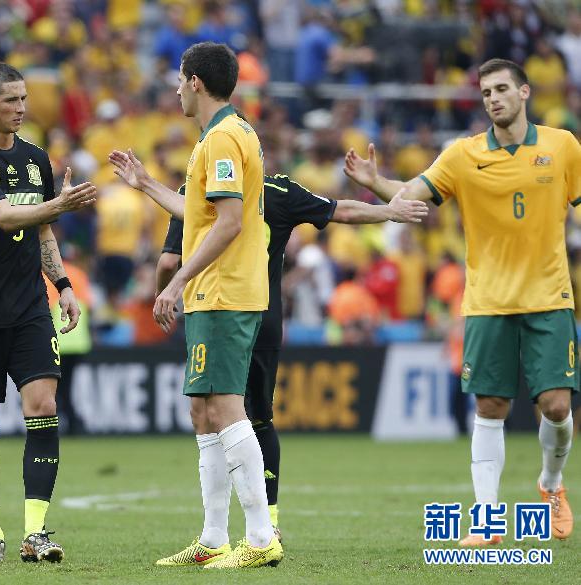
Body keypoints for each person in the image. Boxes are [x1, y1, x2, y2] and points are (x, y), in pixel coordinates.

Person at [110, 146, 428, 539]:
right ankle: (267, 523)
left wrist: (166, 296)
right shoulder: (277, 190)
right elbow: (338, 210)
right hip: (265, 317)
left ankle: (225, 531)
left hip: (217, 313)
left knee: (212, 412)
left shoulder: (196, 192)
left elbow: (168, 263)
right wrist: (388, 212)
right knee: (258, 416)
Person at [343, 58, 577, 545]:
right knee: (490, 405)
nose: (492, 98)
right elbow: (412, 199)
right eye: (485, 91)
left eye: (500, 89)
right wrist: (376, 185)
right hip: (488, 301)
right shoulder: (462, 156)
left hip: (549, 297)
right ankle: (487, 522)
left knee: (556, 406)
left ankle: (551, 485)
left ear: (525, 92)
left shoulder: (562, 147)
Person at [115, 41, 280, 569]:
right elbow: (202, 214)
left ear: (195, 83)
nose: (175, 89)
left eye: (179, 79)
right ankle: (213, 539)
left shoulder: (224, 139)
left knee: (228, 407)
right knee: (203, 410)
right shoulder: (223, 135)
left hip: (226, 290)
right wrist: (144, 185)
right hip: (216, 291)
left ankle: (260, 539)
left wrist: (176, 280)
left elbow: (229, 223)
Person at [0, 62, 96, 563]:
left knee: (43, 406)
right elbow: (5, 216)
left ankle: (36, 532)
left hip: (29, 306)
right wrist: (59, 205)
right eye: (11, 100)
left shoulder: (36, 159)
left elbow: (42, 232)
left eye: (24, 98)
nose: (22, 108)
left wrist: (64, 284)